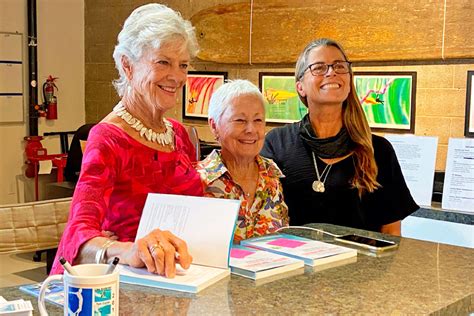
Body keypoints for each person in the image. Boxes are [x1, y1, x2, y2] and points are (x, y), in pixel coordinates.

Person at [51, 4, 203, 278]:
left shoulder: (179, 135)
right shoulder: (107, 137)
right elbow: (79, 236)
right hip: (124, 285)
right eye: (163, 62)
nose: (177, 76)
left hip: (181, 279)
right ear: (128, 66)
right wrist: (125, 250)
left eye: (183, 65)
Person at [261, 38, 418, 235]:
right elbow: (262, 216)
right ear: (300, 86)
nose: (331, 72)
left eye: (339, 66)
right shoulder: (276, 143)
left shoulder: (379, 150)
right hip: (294, 263)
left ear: (349, 81)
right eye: (318, 67)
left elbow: (391, 231)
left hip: (361, 265)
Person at [196, 80, 289, 243]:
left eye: (258, 120)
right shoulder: (198, 180)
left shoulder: (272, 176)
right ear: (214, 125)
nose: (251, 129)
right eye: (240, 120)